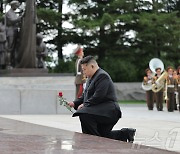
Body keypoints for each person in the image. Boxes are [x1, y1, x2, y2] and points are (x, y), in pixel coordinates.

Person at [68, 55, 136, 143]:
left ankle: (92, 142)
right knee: (103, 135)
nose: (83, 72)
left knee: (84, 114)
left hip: (109, 111)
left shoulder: (102, 76)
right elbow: (85, 96)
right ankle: (126, 134)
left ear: (92, 66)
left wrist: (85, 105)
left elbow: (99, 96)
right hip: (99, 111)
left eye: (84, 69)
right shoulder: (90, 78)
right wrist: (74, 103)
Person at [5, 0, 22, 67]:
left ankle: (14, 63)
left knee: (15, 48)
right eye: (16, 5)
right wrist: (20, 18)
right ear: (13, 5)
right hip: (10, 31)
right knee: (10, 48)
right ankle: (7, 64)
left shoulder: (13, 13)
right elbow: (12, 21)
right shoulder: (9, 13)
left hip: (15, 30)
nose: (17, 7)